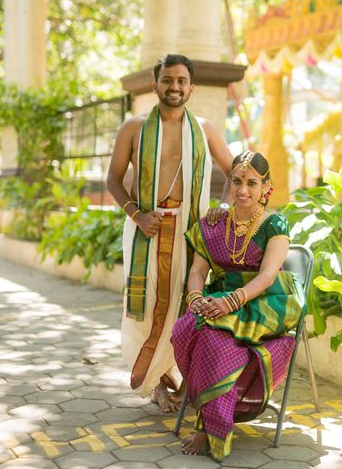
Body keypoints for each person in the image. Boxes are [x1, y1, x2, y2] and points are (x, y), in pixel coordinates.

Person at [107, 54, 234, 412]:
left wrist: (221, 211)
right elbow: (113, 181)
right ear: (155, 85)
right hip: (146, 230)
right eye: (167, 80)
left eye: (181, 81)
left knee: (182, 304)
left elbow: (234, 170)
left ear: (191, 87)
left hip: (189, 233)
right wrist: (137, 215)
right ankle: (157, 383)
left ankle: (170, 376)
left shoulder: (205, 129)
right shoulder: (133, 128)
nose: (174, 87)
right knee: (145, 306)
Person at [171, 151, 306, 462]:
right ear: (229, 183)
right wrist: (195, 299)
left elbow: (269, 275)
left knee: (214, 340)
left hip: (263, 301)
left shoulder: (275, 223)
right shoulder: (214, 223)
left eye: (252, 183)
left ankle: (210, 428)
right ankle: (214, 410)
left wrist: (231, 301)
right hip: (219, 300)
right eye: (237, 182)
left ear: (266, 187)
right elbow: (196, 273)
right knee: (184, 329)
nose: (243, 190)